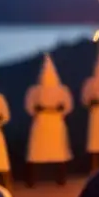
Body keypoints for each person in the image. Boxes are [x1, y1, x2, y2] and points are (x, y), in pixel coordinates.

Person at [24, 54, 73, 186]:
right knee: (36, 152)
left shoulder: (62, 90)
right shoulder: (34, 90)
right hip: (41, 123)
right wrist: (38, 110)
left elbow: (68, 106)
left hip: (56, 122)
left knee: (58, 151)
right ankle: (31, 180)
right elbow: (29, 107)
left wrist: (59, 110)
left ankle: (60, 178)